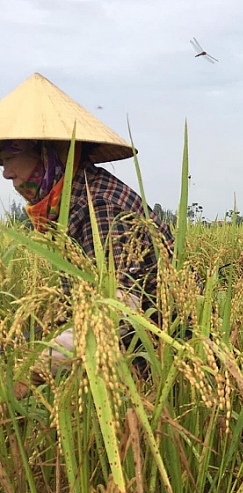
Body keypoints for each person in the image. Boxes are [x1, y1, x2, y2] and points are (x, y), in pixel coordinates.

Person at [0, 73, 174, 396]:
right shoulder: (70, 200)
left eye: (10, 158)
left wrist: (33, 372)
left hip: (145, 359)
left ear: (48, 155)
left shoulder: (101, 206)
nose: (6, 172)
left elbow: (121, 307)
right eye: (2, 163)